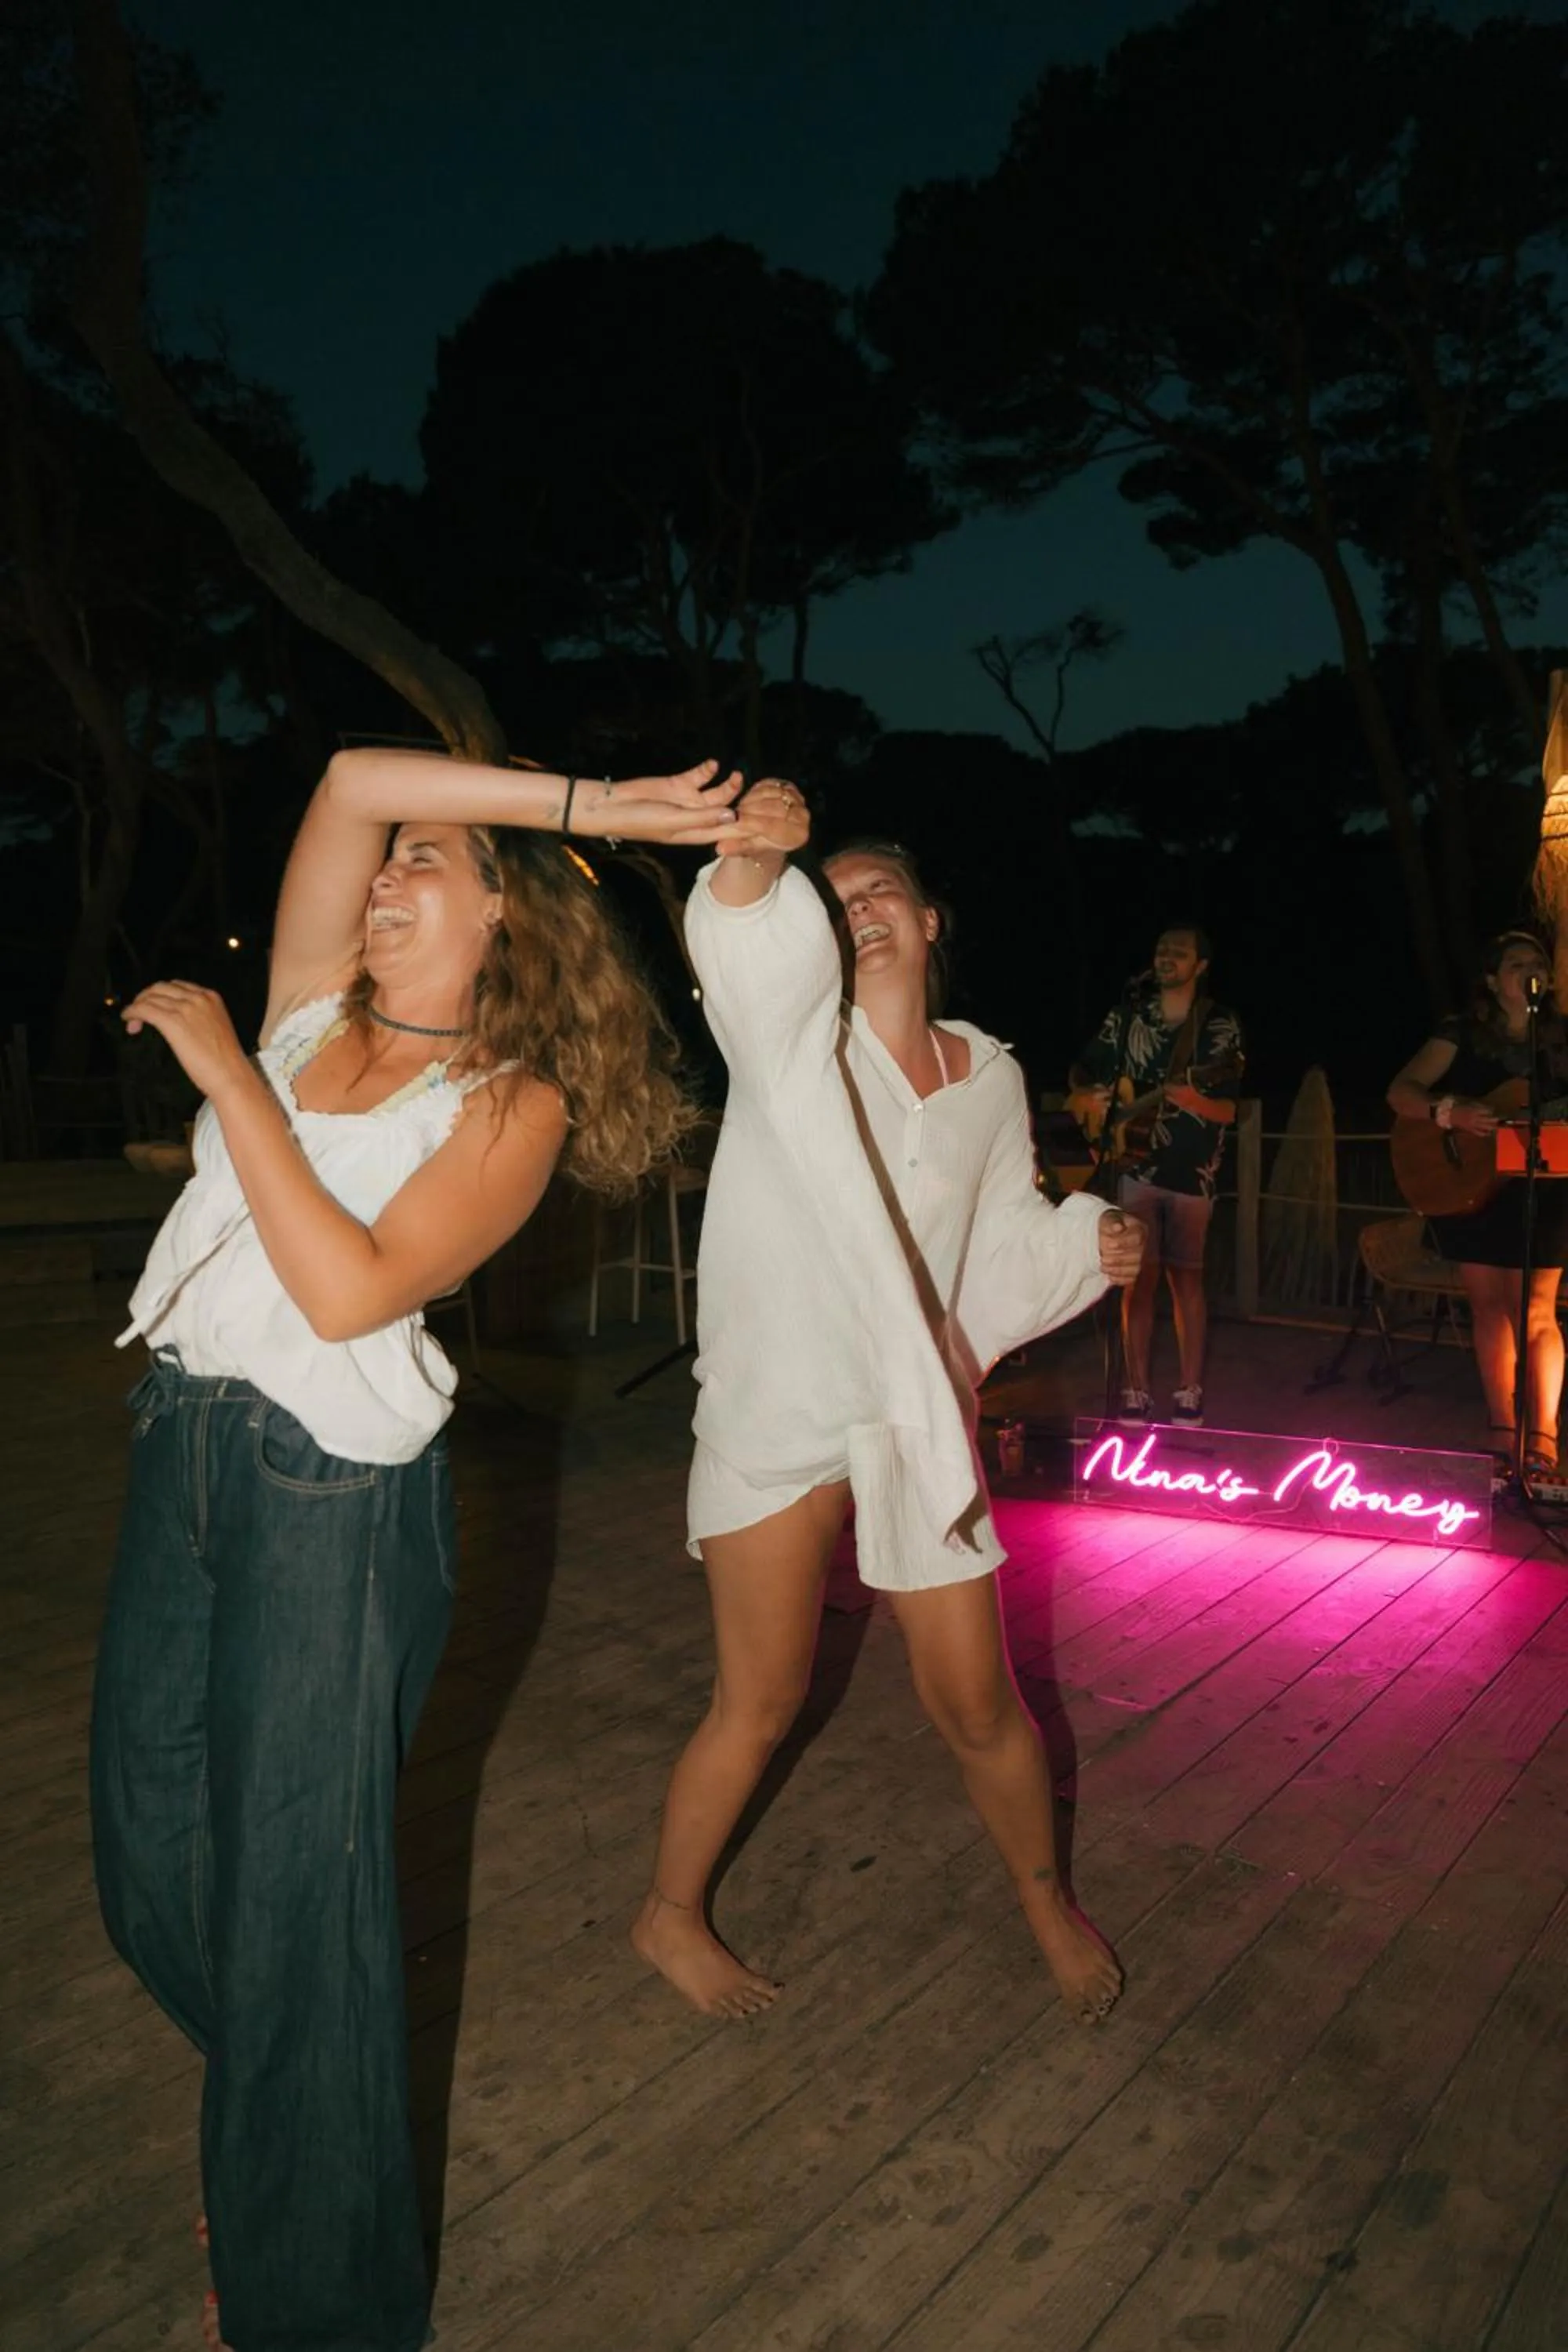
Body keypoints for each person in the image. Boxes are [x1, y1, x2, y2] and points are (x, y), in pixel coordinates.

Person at [89, 746, 740, 2352]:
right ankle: (286, 2122)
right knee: (146, 1854)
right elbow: (344, 779)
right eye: (393, 860)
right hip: (183, 1445)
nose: (386, 875)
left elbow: (349, 1292)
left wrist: (232, 1083)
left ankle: (317, 2303)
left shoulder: (511, 1105)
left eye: (428, 862)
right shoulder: (312, 1011)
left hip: (328, 1497)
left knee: (301, 1902)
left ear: (501, 917)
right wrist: (597, 807)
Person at [632, 797, 1145, 2028]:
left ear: (928, 921)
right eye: (836, 899)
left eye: (879, 893)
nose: (858, 909)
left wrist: (1088, 1243)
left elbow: (1002, 1231)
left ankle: (1046, 1905)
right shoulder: (792, 1044)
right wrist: (752, 859)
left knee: (978, 1701)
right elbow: (738, 942)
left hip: (911, 1406)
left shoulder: (992, 1077)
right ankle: (668, 1913)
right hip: (783, 1402)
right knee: (761, 1700)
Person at [1386, 928, 1568, 1486]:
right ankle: (1500, 1429)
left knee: (1535, 1310)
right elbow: (1402, 1092)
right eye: (1516, 963)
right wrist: (1449, 1112)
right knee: (1488, 1307)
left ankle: (1543, 1437)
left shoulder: (1561, 1036)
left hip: (1545, 1187)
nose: (1530, 969)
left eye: (1537, 962)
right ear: (1492, 980)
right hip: (1468, 1184)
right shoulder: (1461, 1033)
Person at [1072, 925, 1243, 1428]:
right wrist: (1086, 1096)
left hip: (1193, 1173)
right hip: (1133, 1167)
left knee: (1186, 1278)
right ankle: (1135, 1388)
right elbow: (1084, 1068)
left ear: (1201, 966)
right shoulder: (1128, 1017)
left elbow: (1229, 1109)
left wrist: (1193, 1099)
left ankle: (1190, 1388)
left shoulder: (1219, 1025)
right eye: (1162, 949)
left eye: (1180, 952)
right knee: (1137, 1281)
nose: (1167, 956)